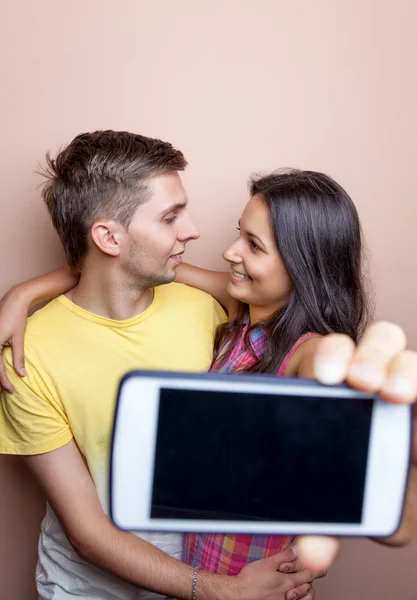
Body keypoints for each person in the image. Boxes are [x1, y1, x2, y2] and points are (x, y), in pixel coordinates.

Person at [1, 133, 417, 589]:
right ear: (107, 236)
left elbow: (306, 336)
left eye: (252, 243)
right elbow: (87, 533)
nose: (198, 233)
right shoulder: (26, 356)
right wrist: (23, 295)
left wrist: (371, 412)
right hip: (91, 590)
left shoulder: (211, 305)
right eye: (170, 216)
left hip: (220, 576)